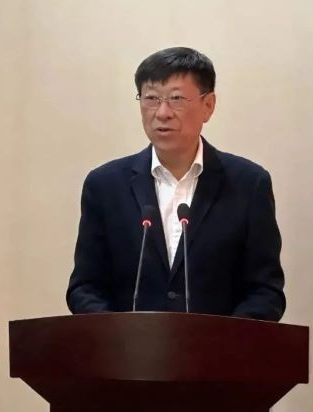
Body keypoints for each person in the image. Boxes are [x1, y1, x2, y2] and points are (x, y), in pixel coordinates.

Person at [66, 47, 285, 321]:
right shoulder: (105, 186)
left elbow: (265, 292)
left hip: (220, 348)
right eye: (151, 98)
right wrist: (119, 336)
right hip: (128, 347)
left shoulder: (248, 184)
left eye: (176, 98)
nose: (162, 112)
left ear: (208, 105)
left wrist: (224, 340)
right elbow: (85, 288)